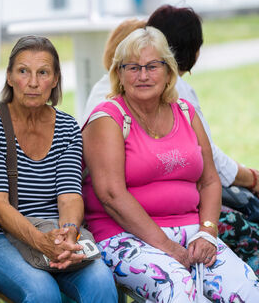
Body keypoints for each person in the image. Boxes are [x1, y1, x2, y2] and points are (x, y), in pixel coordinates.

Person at [81, 26, 259, 301]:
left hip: (191, 231)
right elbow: (111, 195)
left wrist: (208, 232)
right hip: (123, 236)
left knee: (247, 288)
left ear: (168, 72)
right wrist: (167, 246)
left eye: (152, 66)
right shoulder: (108, 118)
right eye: (132, 67)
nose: (142, 75)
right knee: (180, 288)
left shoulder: (187, 113)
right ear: (119, 74)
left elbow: (210, 180)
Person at [0, 35, 117, 303]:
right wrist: (42, 243)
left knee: (101, 282)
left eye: (43, 72)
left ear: (55, 79)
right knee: (42, 292)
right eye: (24, 71)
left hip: (55, 229)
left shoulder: (67, 127)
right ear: (10, 77)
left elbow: (70, 196)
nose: (34, 82)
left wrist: (68, 235)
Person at [146, 4, 259, 275]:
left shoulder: (174, 95)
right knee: (251, 228)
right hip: (170, 214)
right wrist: (253, 179)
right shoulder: (175, 95)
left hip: (185, 206)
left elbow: (207, 167)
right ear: (193, 52)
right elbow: (211, 163)